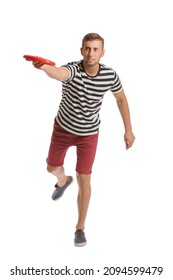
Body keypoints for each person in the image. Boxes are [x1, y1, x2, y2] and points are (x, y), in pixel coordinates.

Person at [33, 33, 135, 247]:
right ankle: (63, 181)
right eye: (87, 49)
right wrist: (44, 67)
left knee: (85, 178)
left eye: (96, 49)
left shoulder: (110, 75)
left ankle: (80, 228)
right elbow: (59, 73)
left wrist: (128, 129)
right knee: (51, 167)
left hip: (89, 134)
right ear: (81, 51)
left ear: (102, 52)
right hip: (62, 129)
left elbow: (121, 98)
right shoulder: (72, 69)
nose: (91, 53)